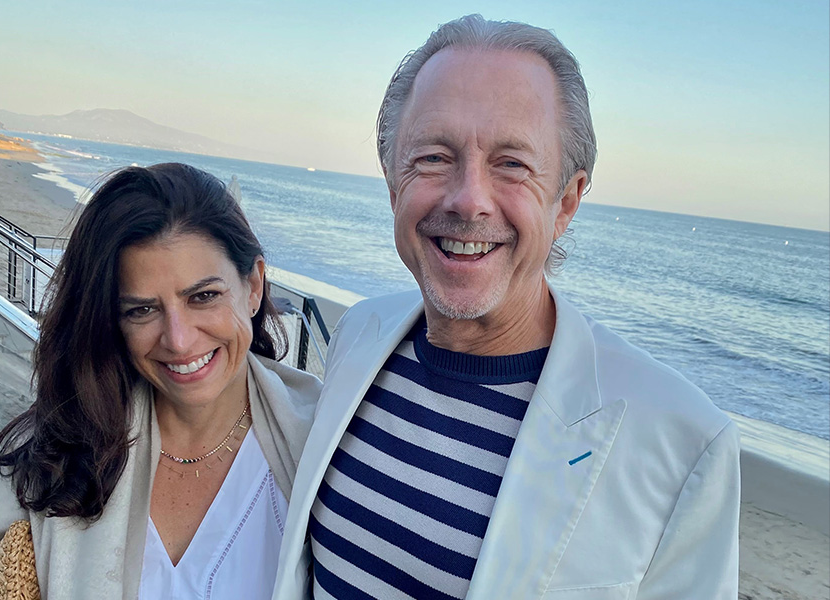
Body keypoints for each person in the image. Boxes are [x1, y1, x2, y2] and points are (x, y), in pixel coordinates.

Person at [273, 14, 740, 600]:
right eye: (434, 157)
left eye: (512, 164)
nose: (469, 199)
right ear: (394, 184)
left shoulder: (681, 443)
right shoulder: (358, 334)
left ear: (565, 201)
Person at [0, 163, 321, 599]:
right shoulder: (50, 459)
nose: (179, 339)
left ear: (254, 286)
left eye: (203, 296)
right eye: (141, 310)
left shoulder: (325, 446)